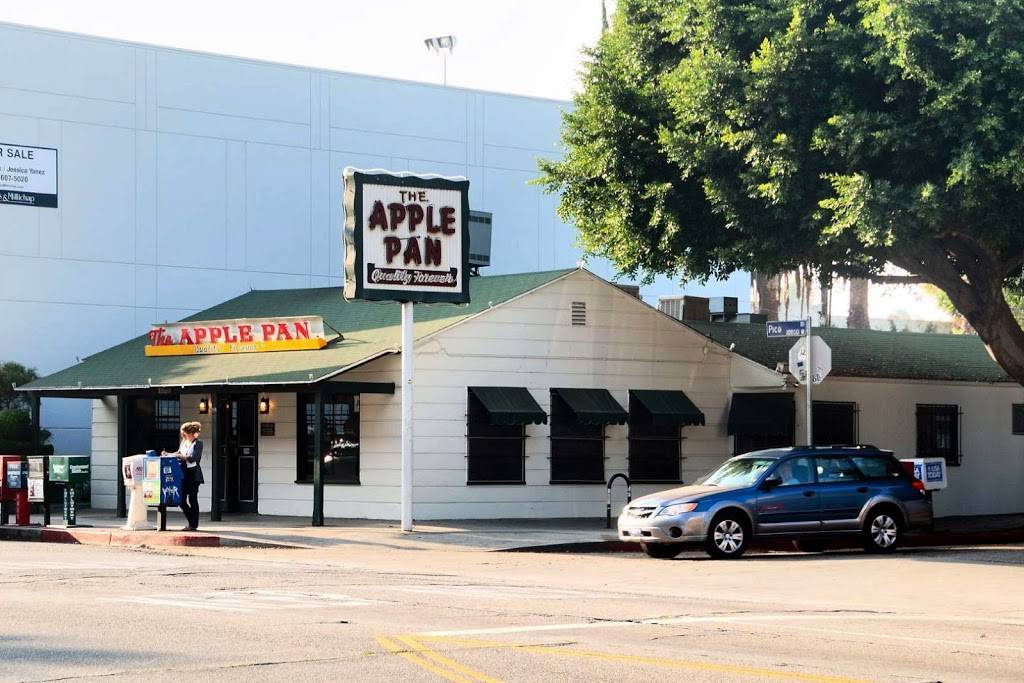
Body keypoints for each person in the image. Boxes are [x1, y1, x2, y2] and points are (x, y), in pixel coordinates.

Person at [164, 421, 204, 531]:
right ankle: (192, 520)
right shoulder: (183, 442)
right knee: (181, 500)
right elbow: (178, 452)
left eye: (184, 434)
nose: (183, 436)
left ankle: (193, 525)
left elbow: (193, 458)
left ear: (190, 433)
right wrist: (168, 454)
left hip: (193, 473)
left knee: (192, 499)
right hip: (183, 473)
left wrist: (180, 456)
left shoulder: (198, 443)